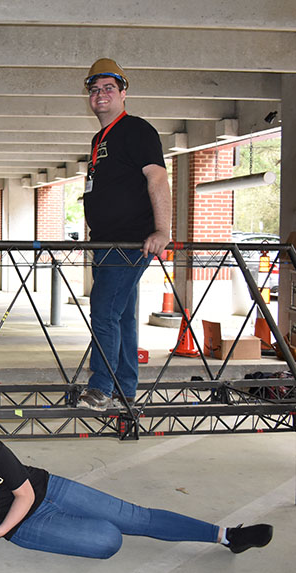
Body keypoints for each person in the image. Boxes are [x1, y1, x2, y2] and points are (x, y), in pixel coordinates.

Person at [0, 396, 273, 559]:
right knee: (108, 540)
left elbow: (23, 494)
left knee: (135, 516)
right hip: (25, 526)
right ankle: (83, 525)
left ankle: (226, 536)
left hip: (46, 491)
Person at [77, 59, 172, 411]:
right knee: (122, 316)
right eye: (95, 90)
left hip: (130, 242)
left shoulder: (137, 130)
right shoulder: (99, 138)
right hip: (104, 243)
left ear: (123, 93)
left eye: (108, 89)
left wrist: (162, 230)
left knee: (103, 312)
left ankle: (101, 386)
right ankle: (125, 386)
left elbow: (158, 179)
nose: (101, 95)